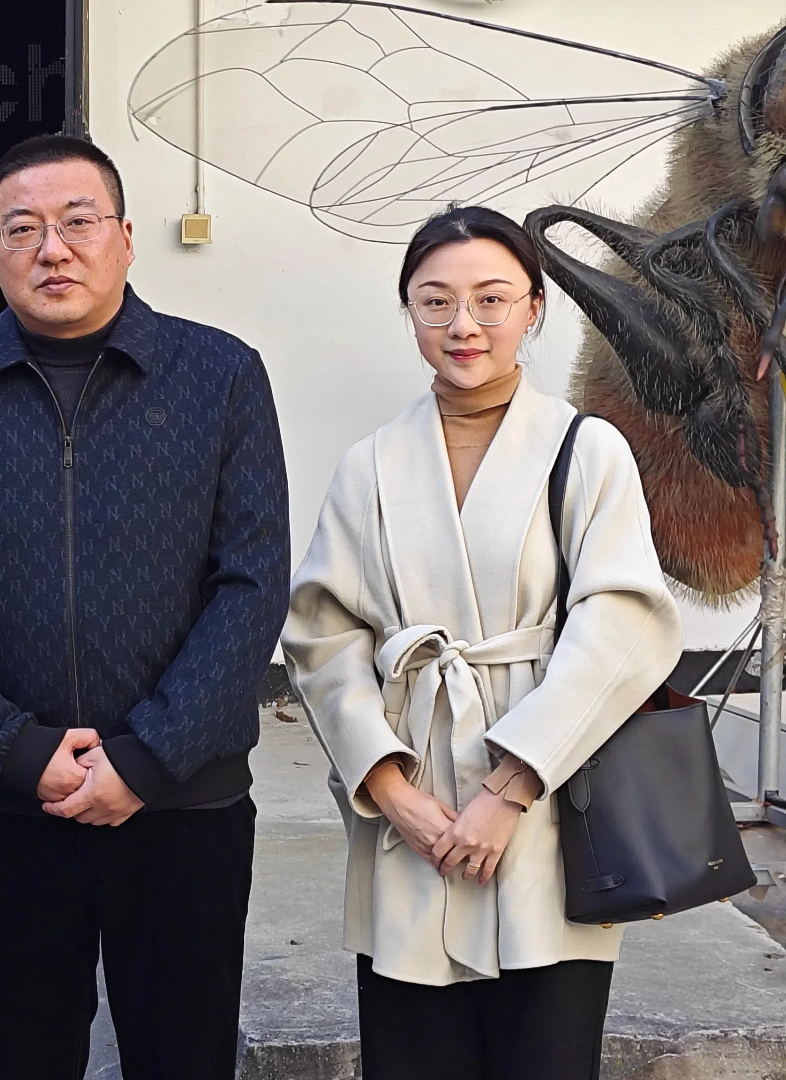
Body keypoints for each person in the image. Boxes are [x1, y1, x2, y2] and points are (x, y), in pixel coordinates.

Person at [0, 134, 290, 1079]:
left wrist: (148, 756)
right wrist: (14, 750)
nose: (52, 250)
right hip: (9, 807)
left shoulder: (219, 375)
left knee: (183, 1056)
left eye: (77, 222)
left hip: (183, 804)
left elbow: (252, 579)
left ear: (126, 238)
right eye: (21, 229)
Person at [282, 205, 684, 1080]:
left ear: (534, 307)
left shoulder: (587, 450)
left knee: (545, 1049)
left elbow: (621, 622)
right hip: (414, 808)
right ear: (410, 312)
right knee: (413, 1051)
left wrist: (510, 788)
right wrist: (392, 791)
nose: (463, 324)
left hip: (548, 802)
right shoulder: (369, 465)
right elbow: (323, 637)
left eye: (491, 299)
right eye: (435, 302)